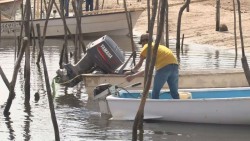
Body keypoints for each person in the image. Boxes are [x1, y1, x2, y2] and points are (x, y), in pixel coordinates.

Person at [125, 33, 180, 99]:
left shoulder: (146, 47)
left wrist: (132, 72)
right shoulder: (160, 47)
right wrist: (133, 76)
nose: (142, 45)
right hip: (175, 66)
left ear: (144, 41)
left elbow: (139, 64)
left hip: (164, 68)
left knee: (155, 91)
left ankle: (155, 107)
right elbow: (147, 69)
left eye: (141, 43)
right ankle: (179, 106)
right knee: (174, 92)